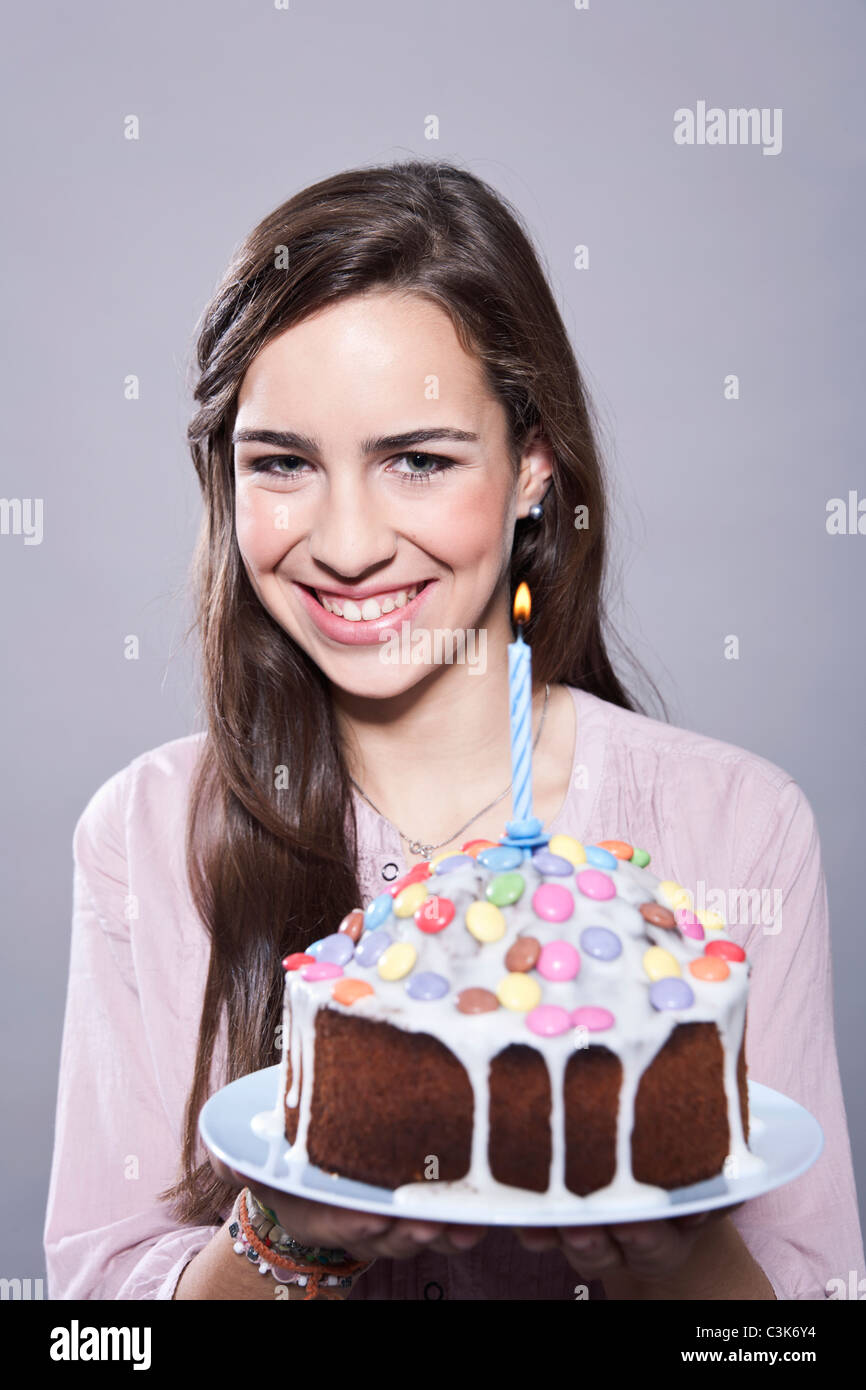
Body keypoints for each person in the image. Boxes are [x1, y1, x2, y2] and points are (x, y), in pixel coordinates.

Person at [44, 161, 863, 1300]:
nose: (344, 542)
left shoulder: (735, 829)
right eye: (282, 463)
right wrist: (289, 1233)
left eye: (417, 460)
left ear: (532, 463)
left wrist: (674, 1253)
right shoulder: (144, 838)